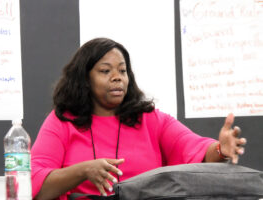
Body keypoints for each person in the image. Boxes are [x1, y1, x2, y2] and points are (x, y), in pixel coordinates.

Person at [31, 38, 247, 200]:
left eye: (122, 71)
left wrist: (221, 150)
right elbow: (35, 185)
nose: (117, 77)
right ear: (85, 80)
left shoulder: (150, 120)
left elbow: (194, 149)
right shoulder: (62, 122)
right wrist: (83, 170)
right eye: (105, 71)